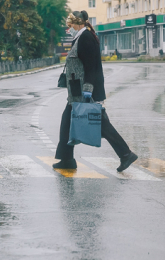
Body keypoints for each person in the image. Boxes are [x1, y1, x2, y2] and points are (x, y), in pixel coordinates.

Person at [53, 11, 138, 172]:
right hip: (77, 92)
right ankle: (67, 159)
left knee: (102, 125)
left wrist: (88, 91)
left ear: (78, 24)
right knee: (66, 123)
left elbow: (91, 67)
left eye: (70, 25)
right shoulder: (80, 37)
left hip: (85, 92)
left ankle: (126, 154)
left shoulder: (86, 38)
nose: (68, 29)